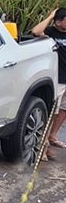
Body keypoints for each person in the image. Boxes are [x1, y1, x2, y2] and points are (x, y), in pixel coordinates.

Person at [32, 8, 66, 160]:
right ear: (58, 22)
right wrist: (51, 15)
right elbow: (35, 31)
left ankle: (52, 136)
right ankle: (43, 145)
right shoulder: (50, 33)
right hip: (56, 78)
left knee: (64, 110)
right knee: (53, 111)